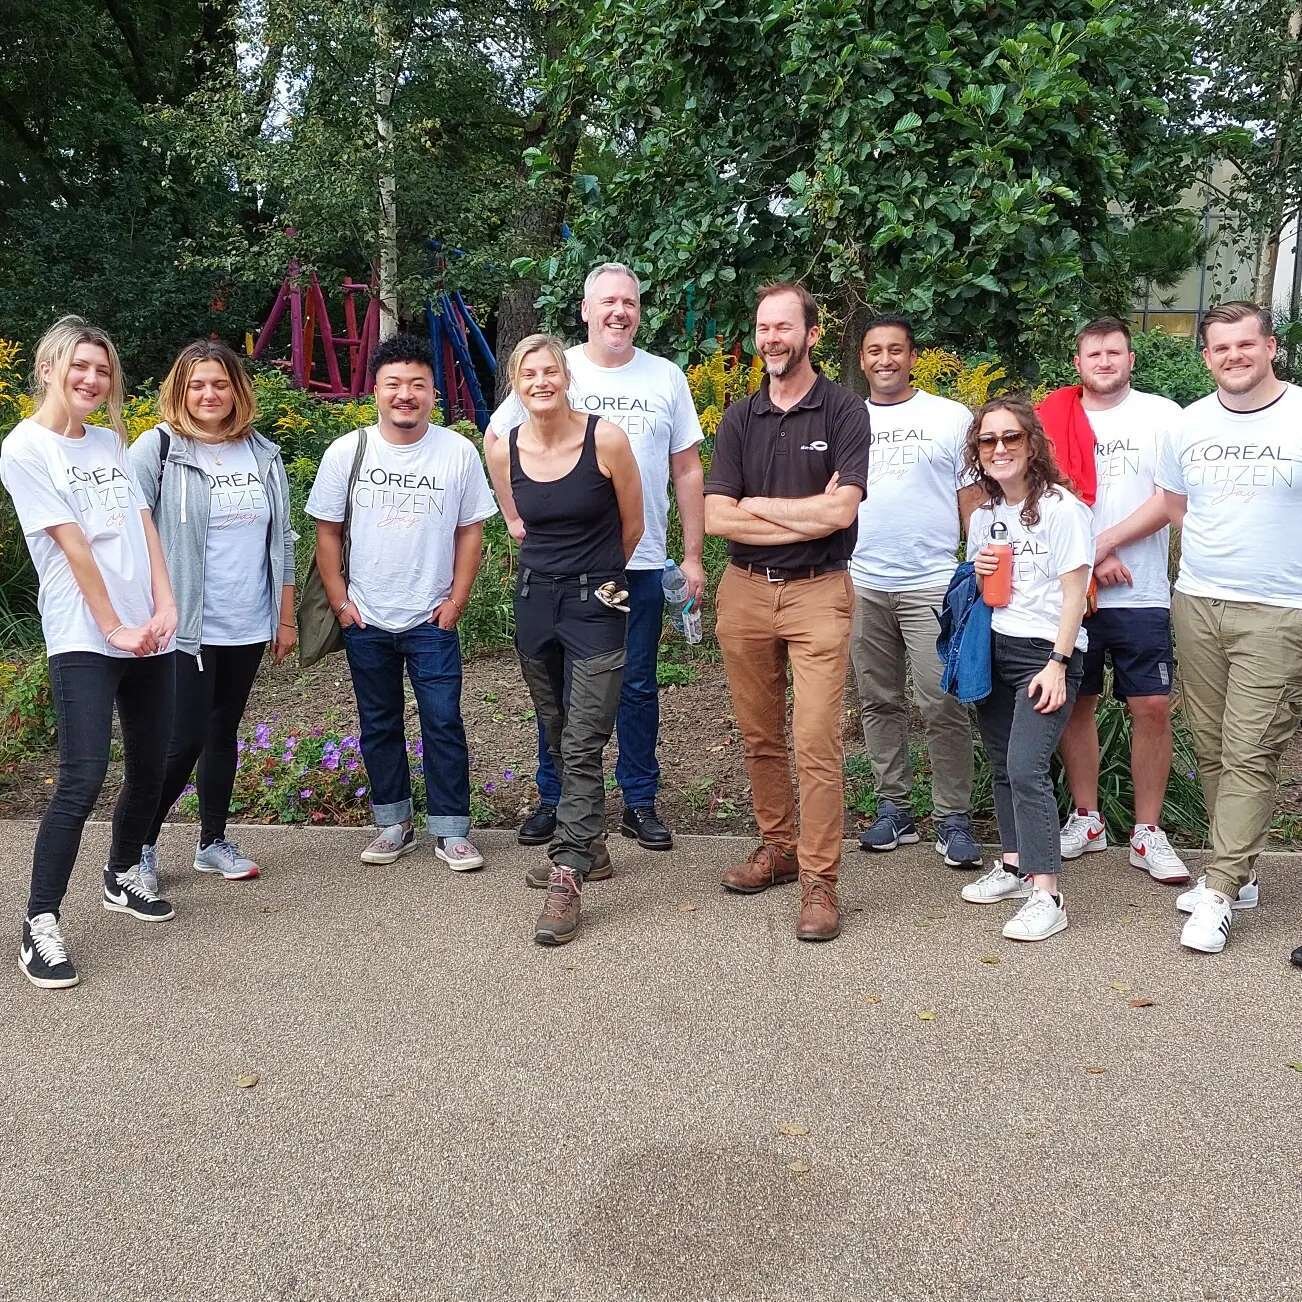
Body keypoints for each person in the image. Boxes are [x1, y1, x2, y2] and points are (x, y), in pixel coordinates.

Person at [485, 263, 705, 854]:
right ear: (584, 310)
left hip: (638, 559)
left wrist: (692, 555)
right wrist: (514, 518)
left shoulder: (665, 377)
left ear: (639, 309)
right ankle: (556, 801)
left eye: (629, 302)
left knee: (635, 685)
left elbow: (686, 467)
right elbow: (497, 438)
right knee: (556, 691)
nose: (619, 312)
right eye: (607, 301)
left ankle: (638, 800)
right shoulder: (554, 369)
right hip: (563, 568)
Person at [1, 317, 178, 989]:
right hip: (85, 634)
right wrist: (114, 627)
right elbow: (73, 545)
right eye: (79, 366)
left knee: (154, 762)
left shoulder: (107, 440)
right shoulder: (24, 448)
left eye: (102, 371)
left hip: (146, 631)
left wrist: (165, 605)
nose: (91, 379)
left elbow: (142, 526)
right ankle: (39, 924)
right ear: (48, 368)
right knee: (81, 776)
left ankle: (121, 873)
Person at [705, 283, 870, 942]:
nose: (771, 338)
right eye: (763, 327)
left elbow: (842, 511)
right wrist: (800, 514)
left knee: (817, 741)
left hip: (818, 593)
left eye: (784, 327)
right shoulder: (741, 418)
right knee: (760, 736)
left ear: (810, 334)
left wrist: (759, 508)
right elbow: (717, 517)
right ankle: (779, 848)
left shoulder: (844, 411)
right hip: (744, 589)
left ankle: (820, 881)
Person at [306, 334, 496, 872]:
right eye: (394, 384)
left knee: (442, 721)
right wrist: (342, 605)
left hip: (431, 616)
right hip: (366, 617)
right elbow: (327, 532)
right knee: (379, 722)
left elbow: (470, 532)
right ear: (376, 391)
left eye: (417, 384)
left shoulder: (457, 451)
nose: (405, 395)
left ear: (434, 392)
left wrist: (457, 600)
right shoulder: (348, 451)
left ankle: (452, 829)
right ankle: (392, 823)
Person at [484, 334, 644, 945]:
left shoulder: (606, 438)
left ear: (567, 376)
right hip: (535, 601)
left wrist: (599, 576)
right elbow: (516, 525)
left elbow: (634, 524)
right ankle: (594, 845)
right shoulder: (504, 449)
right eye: (530, 373)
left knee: (582, 740)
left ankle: (568, 870)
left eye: (552, 369)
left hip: (598, 602)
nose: (542, 381)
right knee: (556, 730)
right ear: (516, 385)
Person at [1156, 301, 1302, 955]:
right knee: (1211, 746)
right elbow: (1179, 505)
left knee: (1250, 751)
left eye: (1246, 344)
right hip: (1199, 603)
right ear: (1207, 356)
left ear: (1271, 348)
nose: (1234, 356)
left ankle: (1217, 894)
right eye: (1221, 348)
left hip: (1280, 611)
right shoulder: (1188, 424)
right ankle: (1237, 873)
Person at [130, 342, 297, 890]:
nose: (210, 394)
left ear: (236, 390)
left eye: (220, 384)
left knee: (223, 731)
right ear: (181, 389)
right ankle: (139, 846)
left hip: (247, 617)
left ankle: (211, 841)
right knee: (184, 737)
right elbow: (131, 536)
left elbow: (283, 542)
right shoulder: (158, 449)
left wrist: (285, 616)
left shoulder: (263, 453)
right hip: (185, 624)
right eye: (198, 384)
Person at [1040, 319, 1188, 883]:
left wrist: (1103, 544)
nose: (1104, 361)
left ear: (1131, 359)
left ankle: (1147, 832)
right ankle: (1087, 818)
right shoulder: (1051, 416)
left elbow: (1170, 498)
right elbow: (1043, 493)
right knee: (1075, 704)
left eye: (1114, 352)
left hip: (1140, 588)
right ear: (1077, 361)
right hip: (1070, 589)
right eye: (1093, 353)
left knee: (1151, 705)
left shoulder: (1162, 416)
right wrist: (1089, 560)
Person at [850, 315, 984, 866]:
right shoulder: (844, 416)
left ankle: (953, 816)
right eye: (874, 351)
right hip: (861, 579)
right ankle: (894, 809)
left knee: (942, 699)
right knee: (878, 699)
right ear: (861, 360)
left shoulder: (949, 418)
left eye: (896, 350)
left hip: (931, 581)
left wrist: (976, 574)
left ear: (913, 356)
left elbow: (972, 498)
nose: (885, 360)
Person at [959, 396, 1092, 942]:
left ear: (1032, 443)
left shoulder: (1063, 508)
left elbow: (1076, 594)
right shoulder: (985, 515)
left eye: (1011, 437)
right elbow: (979, 590)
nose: (1000, 449)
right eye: (988, 441)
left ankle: (1047, 894)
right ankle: (1014, 865)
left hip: (1046, 653)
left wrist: (1059, 663)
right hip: (995, 647)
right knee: (999, 761)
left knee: (1026, 767)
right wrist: (977, 567)